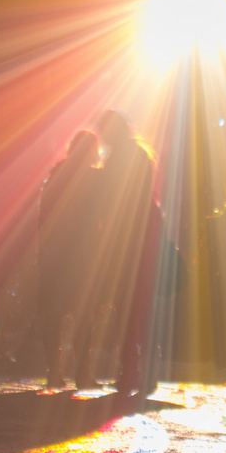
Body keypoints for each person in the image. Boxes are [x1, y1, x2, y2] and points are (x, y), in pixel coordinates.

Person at [95, 110, 162, 399]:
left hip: (130, 233)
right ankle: (144, 371)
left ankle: (131, 370)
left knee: (128, 302)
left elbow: (110, 201)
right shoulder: (140, 155)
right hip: (144, 229)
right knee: (141, 302)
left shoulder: (118, 159)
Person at [37, 130, 102, 388]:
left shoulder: (57, 173)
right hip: (83, 254)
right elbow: (101, 217)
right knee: (84, 313)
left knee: (54, 314)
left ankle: (55, 371)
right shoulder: (94, 177)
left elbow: (44, 216)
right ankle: (82, 373)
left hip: (56, 252)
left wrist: (43, 251)